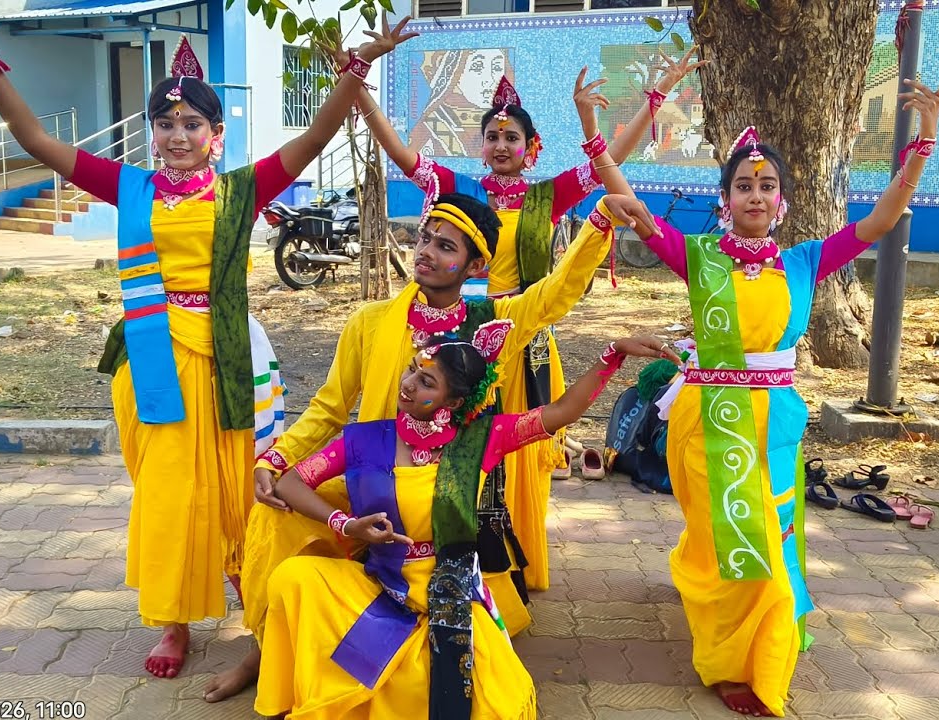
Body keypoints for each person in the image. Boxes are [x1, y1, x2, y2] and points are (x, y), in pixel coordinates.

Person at [0, 6, 418, 679]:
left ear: (215, 134)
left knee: (245, 489)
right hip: (152, 361)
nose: (177, 135)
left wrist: (358, 70)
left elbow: (320, 133)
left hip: (227, 361)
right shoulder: (129, 187)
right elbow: (35, 139)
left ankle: (254, 602)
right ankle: (174, 622)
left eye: (192, 124)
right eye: (166, 123)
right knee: (171, 498)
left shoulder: (243, 189)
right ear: (151, 133)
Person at [201, 188, 658, 702]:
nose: (426, 251)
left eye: (446, 246)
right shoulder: (370, 322)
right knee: (275, 510)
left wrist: (598, 223)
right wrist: (277, 458)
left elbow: (556, 294)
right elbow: (330, 408)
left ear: (475, 263)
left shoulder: (492, 322)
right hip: (365, 478)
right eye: (424, 238)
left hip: (435, 495)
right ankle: (266, 649)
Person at [639, 73, 939, 717]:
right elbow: (630, 208)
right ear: (725, 198)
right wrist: (608, 134)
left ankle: (765, 642)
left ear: (782, 199)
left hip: (775, 421)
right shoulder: (698, 257)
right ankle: (727, 654)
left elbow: (882, 220)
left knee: (770, 536)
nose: (756, 194)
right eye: (744, 185)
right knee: (723, 536)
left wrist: (923, 144)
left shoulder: (806, 260)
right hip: (709, 418)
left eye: (767, 185)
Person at [352, 52, 706, 592]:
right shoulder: (460, 192)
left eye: (510, 137)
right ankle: (453, 554)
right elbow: (401, 155)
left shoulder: (548, 196)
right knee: (456, 446)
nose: (500, 146)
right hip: (457, 339)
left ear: (529, 147)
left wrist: (651, 100)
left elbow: (610, 160)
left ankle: (510, 565)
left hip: (523, 334)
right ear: (480, 145)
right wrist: (357, 89)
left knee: (512, 451)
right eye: (491, 137)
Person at [253, 319, 678, 719]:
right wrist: (345, 524)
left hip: (450, 588)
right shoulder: (366, 438)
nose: (407, 385)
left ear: (453, 402)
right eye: (412, 371)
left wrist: (611, 354)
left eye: (426, 381)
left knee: (479, 695)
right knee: (293, 578)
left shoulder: (480, 440)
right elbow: (291, 483)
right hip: (379, 584)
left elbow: (563, 412)